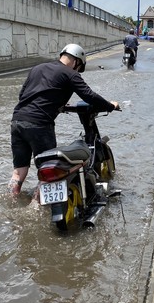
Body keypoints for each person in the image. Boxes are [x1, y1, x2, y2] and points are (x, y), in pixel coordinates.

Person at [9, 44, 119, 196]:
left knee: (19, 171)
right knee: (49, 173)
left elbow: (24, 95)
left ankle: (12, 200)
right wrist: (109, 105)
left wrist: (57, 105)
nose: (77, 70)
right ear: (76, 61)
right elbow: (89, 96)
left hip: (17, 121)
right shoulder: (70, 74)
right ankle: (35, 208)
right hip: (40, 125)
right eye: (78, 67)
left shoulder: (37, 68)